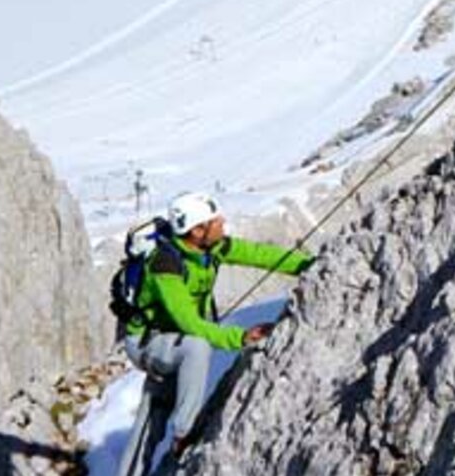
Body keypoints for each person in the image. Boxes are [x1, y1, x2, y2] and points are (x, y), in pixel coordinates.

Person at [116, 191, 313, 473]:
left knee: (153, 414)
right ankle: (184, 432)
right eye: (215, 220)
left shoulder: (211, 248)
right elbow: (188, 322)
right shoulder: (164, 265)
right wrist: (239, 338)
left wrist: (308, 265)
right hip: (149, 342)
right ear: (197, 231)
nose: (222, 222)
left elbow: (259, 255)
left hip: (175, 341)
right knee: (195, 348)